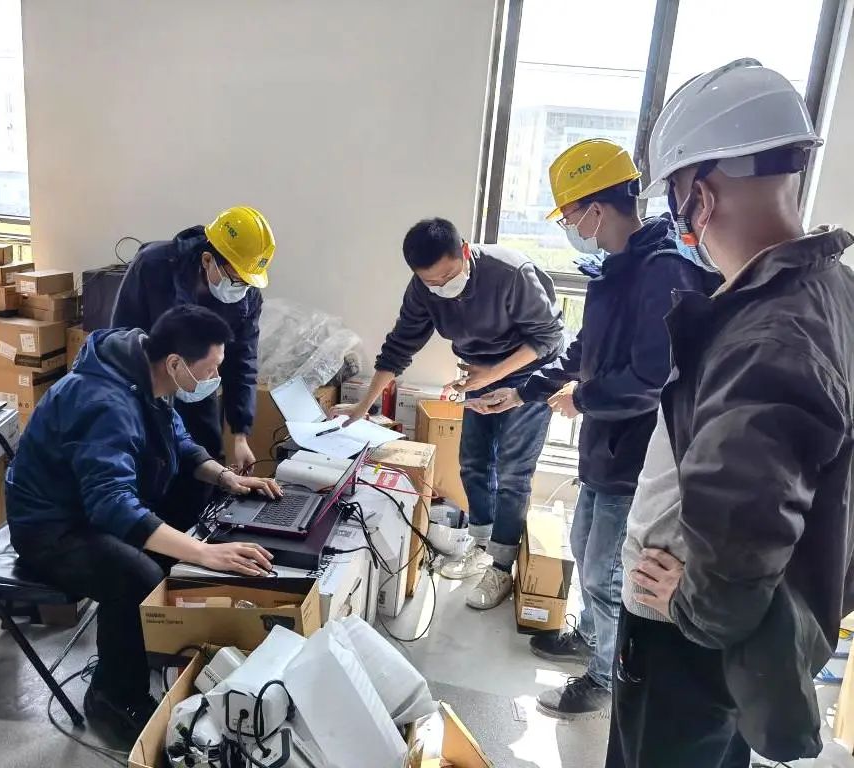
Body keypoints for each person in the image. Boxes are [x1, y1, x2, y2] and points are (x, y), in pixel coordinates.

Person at [607, 59, 854, 767]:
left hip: (684, 638)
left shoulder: (766, 338)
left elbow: (743, 517)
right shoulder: (828, 288)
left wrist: (695, 605)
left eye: (675, 197)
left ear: (702, 196)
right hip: (741, 637)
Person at [473, 139, 716, 719]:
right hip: (607, 447)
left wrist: (581, 398)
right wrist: (525, 389)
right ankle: (592, 637)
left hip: (638, 454)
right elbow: (586, 348)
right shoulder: (621, 268)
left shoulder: (663, 271)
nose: (571, 228)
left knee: (608, 569)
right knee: (586, 548)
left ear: (597, 210)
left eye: (570, 216)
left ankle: (606, 676)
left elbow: (652, 378)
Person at [5, 305, 282, 745]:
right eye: (211, 369)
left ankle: (143, 651)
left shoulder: (145, 375)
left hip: (87, 509)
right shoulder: (104, 403)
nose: (215, 378)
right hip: (50, 527)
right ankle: (112, 695)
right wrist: (205, 553)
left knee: (184, 537)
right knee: (139, 575)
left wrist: (226, 478)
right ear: (175, 364)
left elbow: (178, 440)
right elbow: (111, 507)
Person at [333, 217, 565, 609]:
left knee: (513, 471)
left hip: (529, 373)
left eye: (448, 276)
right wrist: (363, 404)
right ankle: (481, 544)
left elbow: (548, 337)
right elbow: (399, 346)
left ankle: (501, 565)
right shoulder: (423, 289)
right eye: (431, 282)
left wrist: (494, 375)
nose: (441, 287)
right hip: (479, 372)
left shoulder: (510, 273)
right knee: (473, 462)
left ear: (465, 251)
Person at [111, 206, 275, 526]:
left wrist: (240, 433)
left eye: (247, 281)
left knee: (200, 468)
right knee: (149, 471)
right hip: (146, 388)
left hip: (197, 390)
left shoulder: (246, 296)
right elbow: (121, 335)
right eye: (235, 278)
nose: (241, 287)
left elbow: (242, 363)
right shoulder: (154, 266)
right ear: (207, 259)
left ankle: (191, 539)